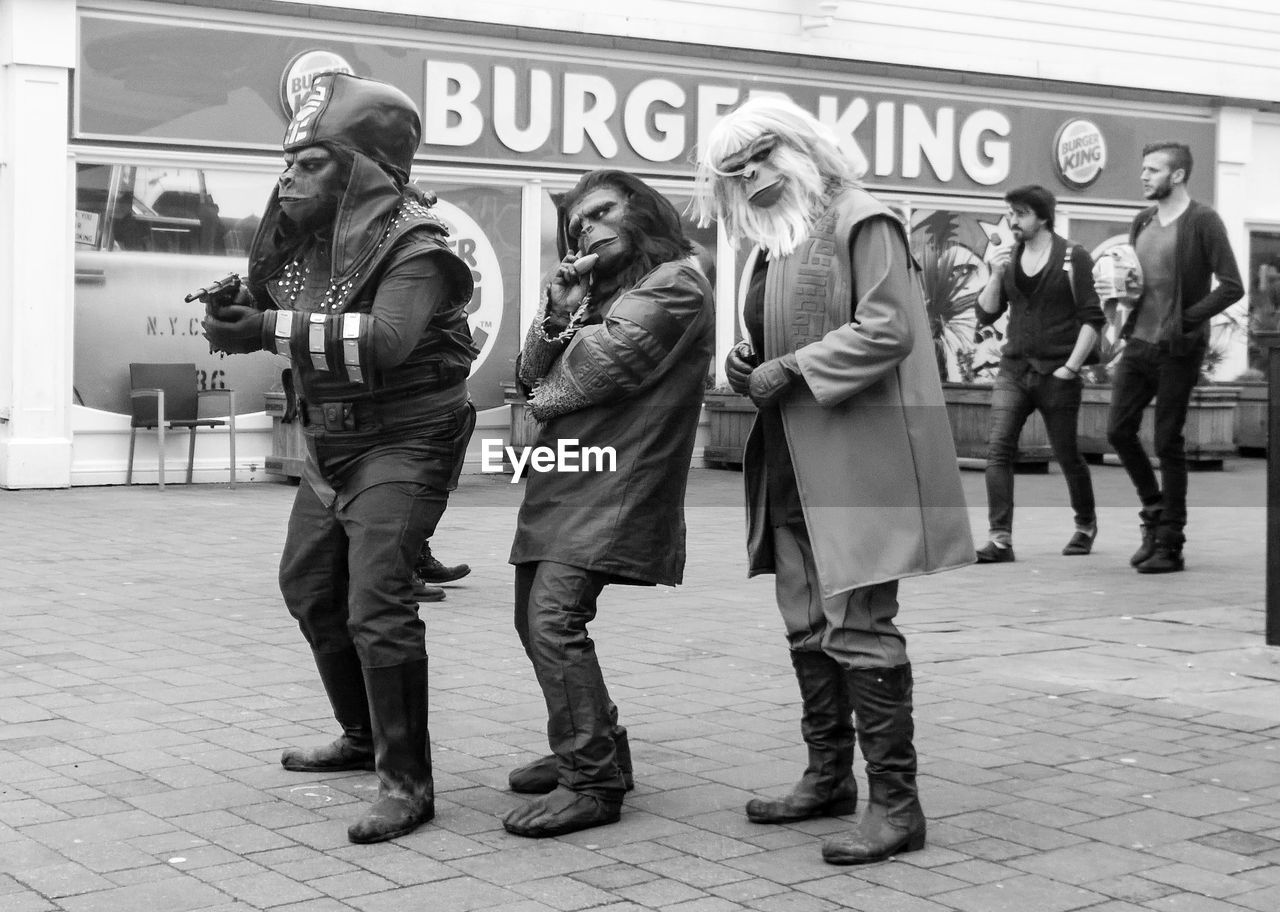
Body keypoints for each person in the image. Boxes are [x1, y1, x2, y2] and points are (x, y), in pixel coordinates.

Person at [693, 97, 973, 866]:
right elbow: (775, 331)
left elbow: (888, 328)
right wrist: (749, 360)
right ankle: (828, 778)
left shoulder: (862, 217)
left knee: (858, 626)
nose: (745, 186)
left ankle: (897, 805)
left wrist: (792, 367)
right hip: (790, 454)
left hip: (855, 461)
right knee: (807, 624)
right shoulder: (779, 236)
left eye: (751, 167)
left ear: (789, 151)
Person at [200, 72, 477, 843]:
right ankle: (363, 738)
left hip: (405, 440)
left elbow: (385, 341)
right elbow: (281, 317)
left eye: (312, 162)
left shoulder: (417, 247)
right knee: (310, 589)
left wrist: (264, 328)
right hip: (332, 442)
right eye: (289, 162)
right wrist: (235, 316)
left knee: (377, 606)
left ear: (361, 173)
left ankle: (407, 783)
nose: (289, 176)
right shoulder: (314, 248)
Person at [503, 169, 714, 838]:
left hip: (618, 479)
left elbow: (594, 370)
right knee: (530, 620)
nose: (585, 228)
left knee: (554, 621)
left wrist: (544, 386)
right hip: (565, 478)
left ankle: (591, 781)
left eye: (601, 212)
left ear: (641, 212)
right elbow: (529, 372)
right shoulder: (605, 293)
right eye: (576, 225)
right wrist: (560, 310)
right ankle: (595, 743)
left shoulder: (676, 282)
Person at [1102, 141, 1243, 574]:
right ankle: (1154, 512)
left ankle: (1171, 542)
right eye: (1143, 169)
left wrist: (1185, 320)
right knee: (1119, 431)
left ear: (1178, 175)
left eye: (1153, 170)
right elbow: (1140, 281)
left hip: (1177, 349)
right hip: (1139, 343)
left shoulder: (1203, 221)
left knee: (1167, 441)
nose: (1143, 176)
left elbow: (1231, 284)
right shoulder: (1142, 220)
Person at [973, 185, 1104, 563]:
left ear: (1042, 217)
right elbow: (986, 313)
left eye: (1021, 213)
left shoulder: (1072, 258)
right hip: (1014, 370)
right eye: (1011, 213)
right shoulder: (1009, 257)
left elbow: (1092, 318)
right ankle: (1000, 540)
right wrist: (996, 274)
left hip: (1057, 373)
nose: (1013, 220)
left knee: (1066, 454)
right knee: (997, 450)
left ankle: (1085, 525)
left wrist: (1070, 368)